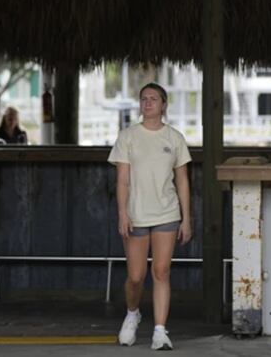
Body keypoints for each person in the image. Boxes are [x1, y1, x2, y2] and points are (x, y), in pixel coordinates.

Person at [108, 83, 192, 350]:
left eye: (153, 99)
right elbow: (122, 181)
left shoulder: (175, 138)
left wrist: (186, 218)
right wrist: (122, 213)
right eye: (143, 98)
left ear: (164, 104)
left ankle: (159, 331)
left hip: (167, 212)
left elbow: (183, 181)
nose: (148, 102)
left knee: (161, 271)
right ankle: (133, 313)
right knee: (135, 276)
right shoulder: (128, 136)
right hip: (136, 214)